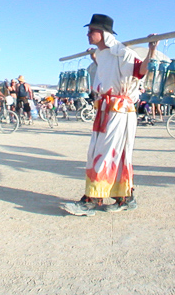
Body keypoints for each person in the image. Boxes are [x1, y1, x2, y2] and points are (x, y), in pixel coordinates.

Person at [63, 14, 158, 216]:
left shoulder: (122, 52)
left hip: (119, 112)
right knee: (107, 153)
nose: (88, 34)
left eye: (92, 31)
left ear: (103, 33)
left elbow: (139, 71)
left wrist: (152, 50)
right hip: (105, 110)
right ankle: (125, 197)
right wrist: (95, 59)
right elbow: (108, 76)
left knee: (106, 154)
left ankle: (92, 200)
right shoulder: (104, 54)